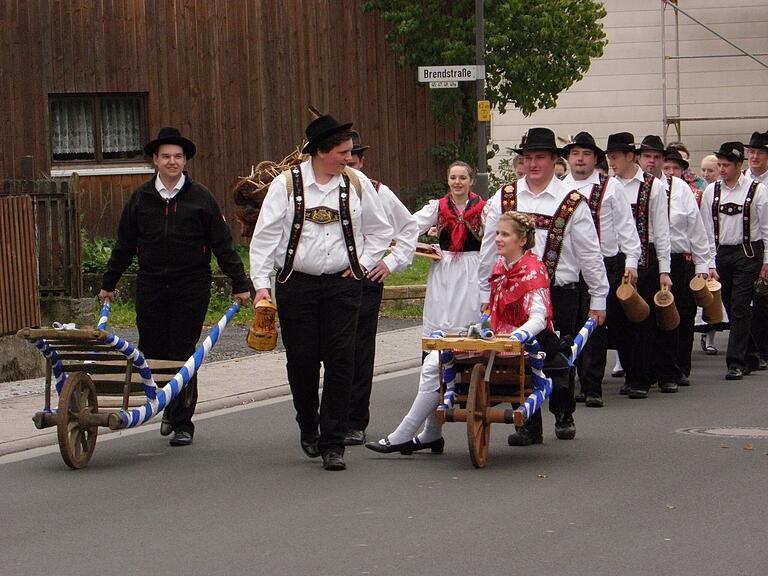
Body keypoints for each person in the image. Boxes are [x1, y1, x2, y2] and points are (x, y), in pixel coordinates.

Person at [249, 115, 393, 471]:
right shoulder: (286, 185)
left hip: (343, 287)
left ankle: (333, 442)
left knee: (342, 360)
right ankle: (308, 425)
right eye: (342, 152)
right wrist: (261, 286)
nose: (348, 158)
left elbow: (381, 231)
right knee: (302, 361)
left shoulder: (356, 184)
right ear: (321, 151)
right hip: (296, 284)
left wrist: (362, 263)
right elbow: (264, 238)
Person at [365, 212, 567, 454]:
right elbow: (495, 312)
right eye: (497, 234)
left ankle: (411, 434)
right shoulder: (502, 265)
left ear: (522, 240)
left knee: (433, 363)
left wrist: (515, 338)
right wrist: (482, 328)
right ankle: (426, 433)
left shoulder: (534, 269)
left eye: (505, 234)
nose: (498, 239)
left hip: (520, 346)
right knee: (434, 359)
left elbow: (539, 318)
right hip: (497, 339)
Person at [99, 127, 250, 447]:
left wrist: (240, 282)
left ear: (185, 161)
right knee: (152, 349)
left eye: (178, 156)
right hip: (151, 283)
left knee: (183, 353)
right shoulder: (141, 198)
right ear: (155, 159)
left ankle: (182, 421)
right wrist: (108, 283)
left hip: (191, 285)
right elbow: (124, 244)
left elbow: (222, 244)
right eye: (166, 156)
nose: (172, 161)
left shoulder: (201, 198)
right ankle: (166, 405)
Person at [479, 127, 608, 445]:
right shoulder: (505, 196)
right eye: (528, 158)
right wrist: (484, 293)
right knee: (517, 357)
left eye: (540, 157)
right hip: (512, 293)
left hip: (560, 290)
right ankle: (528, 424)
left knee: (558, 359)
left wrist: (599, 296)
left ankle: (563, 412)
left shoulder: (571, 200)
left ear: (554, 160)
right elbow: (487, 248)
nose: (533, 164)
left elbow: (589, 251)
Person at [344, 131, 418, 446]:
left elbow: (409, 228)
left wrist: (390, 263)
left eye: (353, 160)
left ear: (362, 161)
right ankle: (331, 416)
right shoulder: (317, 191)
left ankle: (355, 421)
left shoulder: (378, 192)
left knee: (360, 351)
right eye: (343, 159)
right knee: (331, 351)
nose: (348, 165)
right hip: (330, 279)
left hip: (365, 281)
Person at [562, 132, 641, 407]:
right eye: (575, 154)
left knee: (595, 323)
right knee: (569, 326)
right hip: (568, 265)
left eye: (585, 154)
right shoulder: (560, 187)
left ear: (595, 159)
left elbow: (626, 228)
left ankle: (593, 386)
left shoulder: (611, 187)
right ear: (568, 158)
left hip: (604, 262)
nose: (580, 159)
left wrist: (631, 261)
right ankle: (570, 383)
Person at [606, 132, 673, 398]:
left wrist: (664, 269)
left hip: (646, 258)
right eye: (609, 158)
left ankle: (640, 378)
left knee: (642, 318)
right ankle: (630, 370)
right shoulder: (608, 185)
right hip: (617, 258)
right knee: (619, 319)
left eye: (616, 157)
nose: (612, 162)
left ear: (630, 157)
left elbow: (662, 229)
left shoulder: (651, 186)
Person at [700, 141, 768, 380]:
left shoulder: (757, 189)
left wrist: (766, 262)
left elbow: (767, 228)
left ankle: (735, 362)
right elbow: (706, 230)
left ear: (739, 165)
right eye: (719, 164)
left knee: (740, 304)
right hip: (721, 254)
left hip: (749, 253)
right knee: (729, 304)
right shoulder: (711, 191)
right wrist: (708, 261)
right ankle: (751, 353)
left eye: (726, 165)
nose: (721, 169)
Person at [414, 161, 486, 337]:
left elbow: (495, 235)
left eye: (463, 177)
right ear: (447, 180)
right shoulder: (438, 207)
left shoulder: (483, 208)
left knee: (470, 311)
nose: (457, 182)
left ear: (471, 181)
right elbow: (411, 225)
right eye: (453, 177)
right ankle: (439, 357)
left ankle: (468, 357)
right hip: (445, 268)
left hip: (472, 267)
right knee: (442, 310)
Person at [661, 147, 711, 386]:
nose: (670, 172)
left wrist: (703, 263)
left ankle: (681, 366)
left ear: (683, 171)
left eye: (675, 168)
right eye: (666, 168)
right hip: (654, 260)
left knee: (683, 314)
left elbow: (697, 229)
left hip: (680, 259)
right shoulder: (649, 188)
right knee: (659, 316)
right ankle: (660, 366)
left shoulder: (684, 191)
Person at [744, 131, 768, 368]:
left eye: (760, 152)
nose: (755, 156)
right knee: (750, 301)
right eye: (752, 152)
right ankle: (753, 349)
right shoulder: (741, 180)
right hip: (750, 246)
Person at [696, 154, 723, 355]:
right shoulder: (701, 192)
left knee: (717, 296)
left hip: (723, 246)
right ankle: (704, 331)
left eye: (710, 170)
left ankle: (712, 334)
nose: (706, 174)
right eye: (704, 170)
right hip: (707, 247)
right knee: (706, 294)